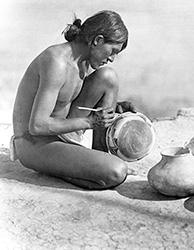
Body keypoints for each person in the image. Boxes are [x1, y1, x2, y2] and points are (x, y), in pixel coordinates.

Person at [12, 10, 137, 190]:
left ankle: (99, 155)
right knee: (116, 173)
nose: (112, 58)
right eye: (113, 51)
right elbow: (37, 126)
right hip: (35, 143)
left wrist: (116, 107)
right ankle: (78, 169)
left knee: (108, 77)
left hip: (62, 133)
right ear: (97, 40)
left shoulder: (82, 60)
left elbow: (65, 100)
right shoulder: (56, 62)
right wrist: (89, 121)